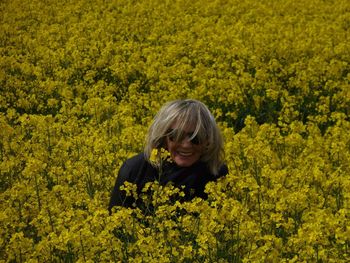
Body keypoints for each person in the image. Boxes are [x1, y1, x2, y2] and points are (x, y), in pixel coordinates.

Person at [108, 99, 228, 213]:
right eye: (176, 135)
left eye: (196, 137)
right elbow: (115, 227)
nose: (186, 145)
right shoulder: (134, 170)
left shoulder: (217, 172)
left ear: (208, 139)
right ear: (163, 137)